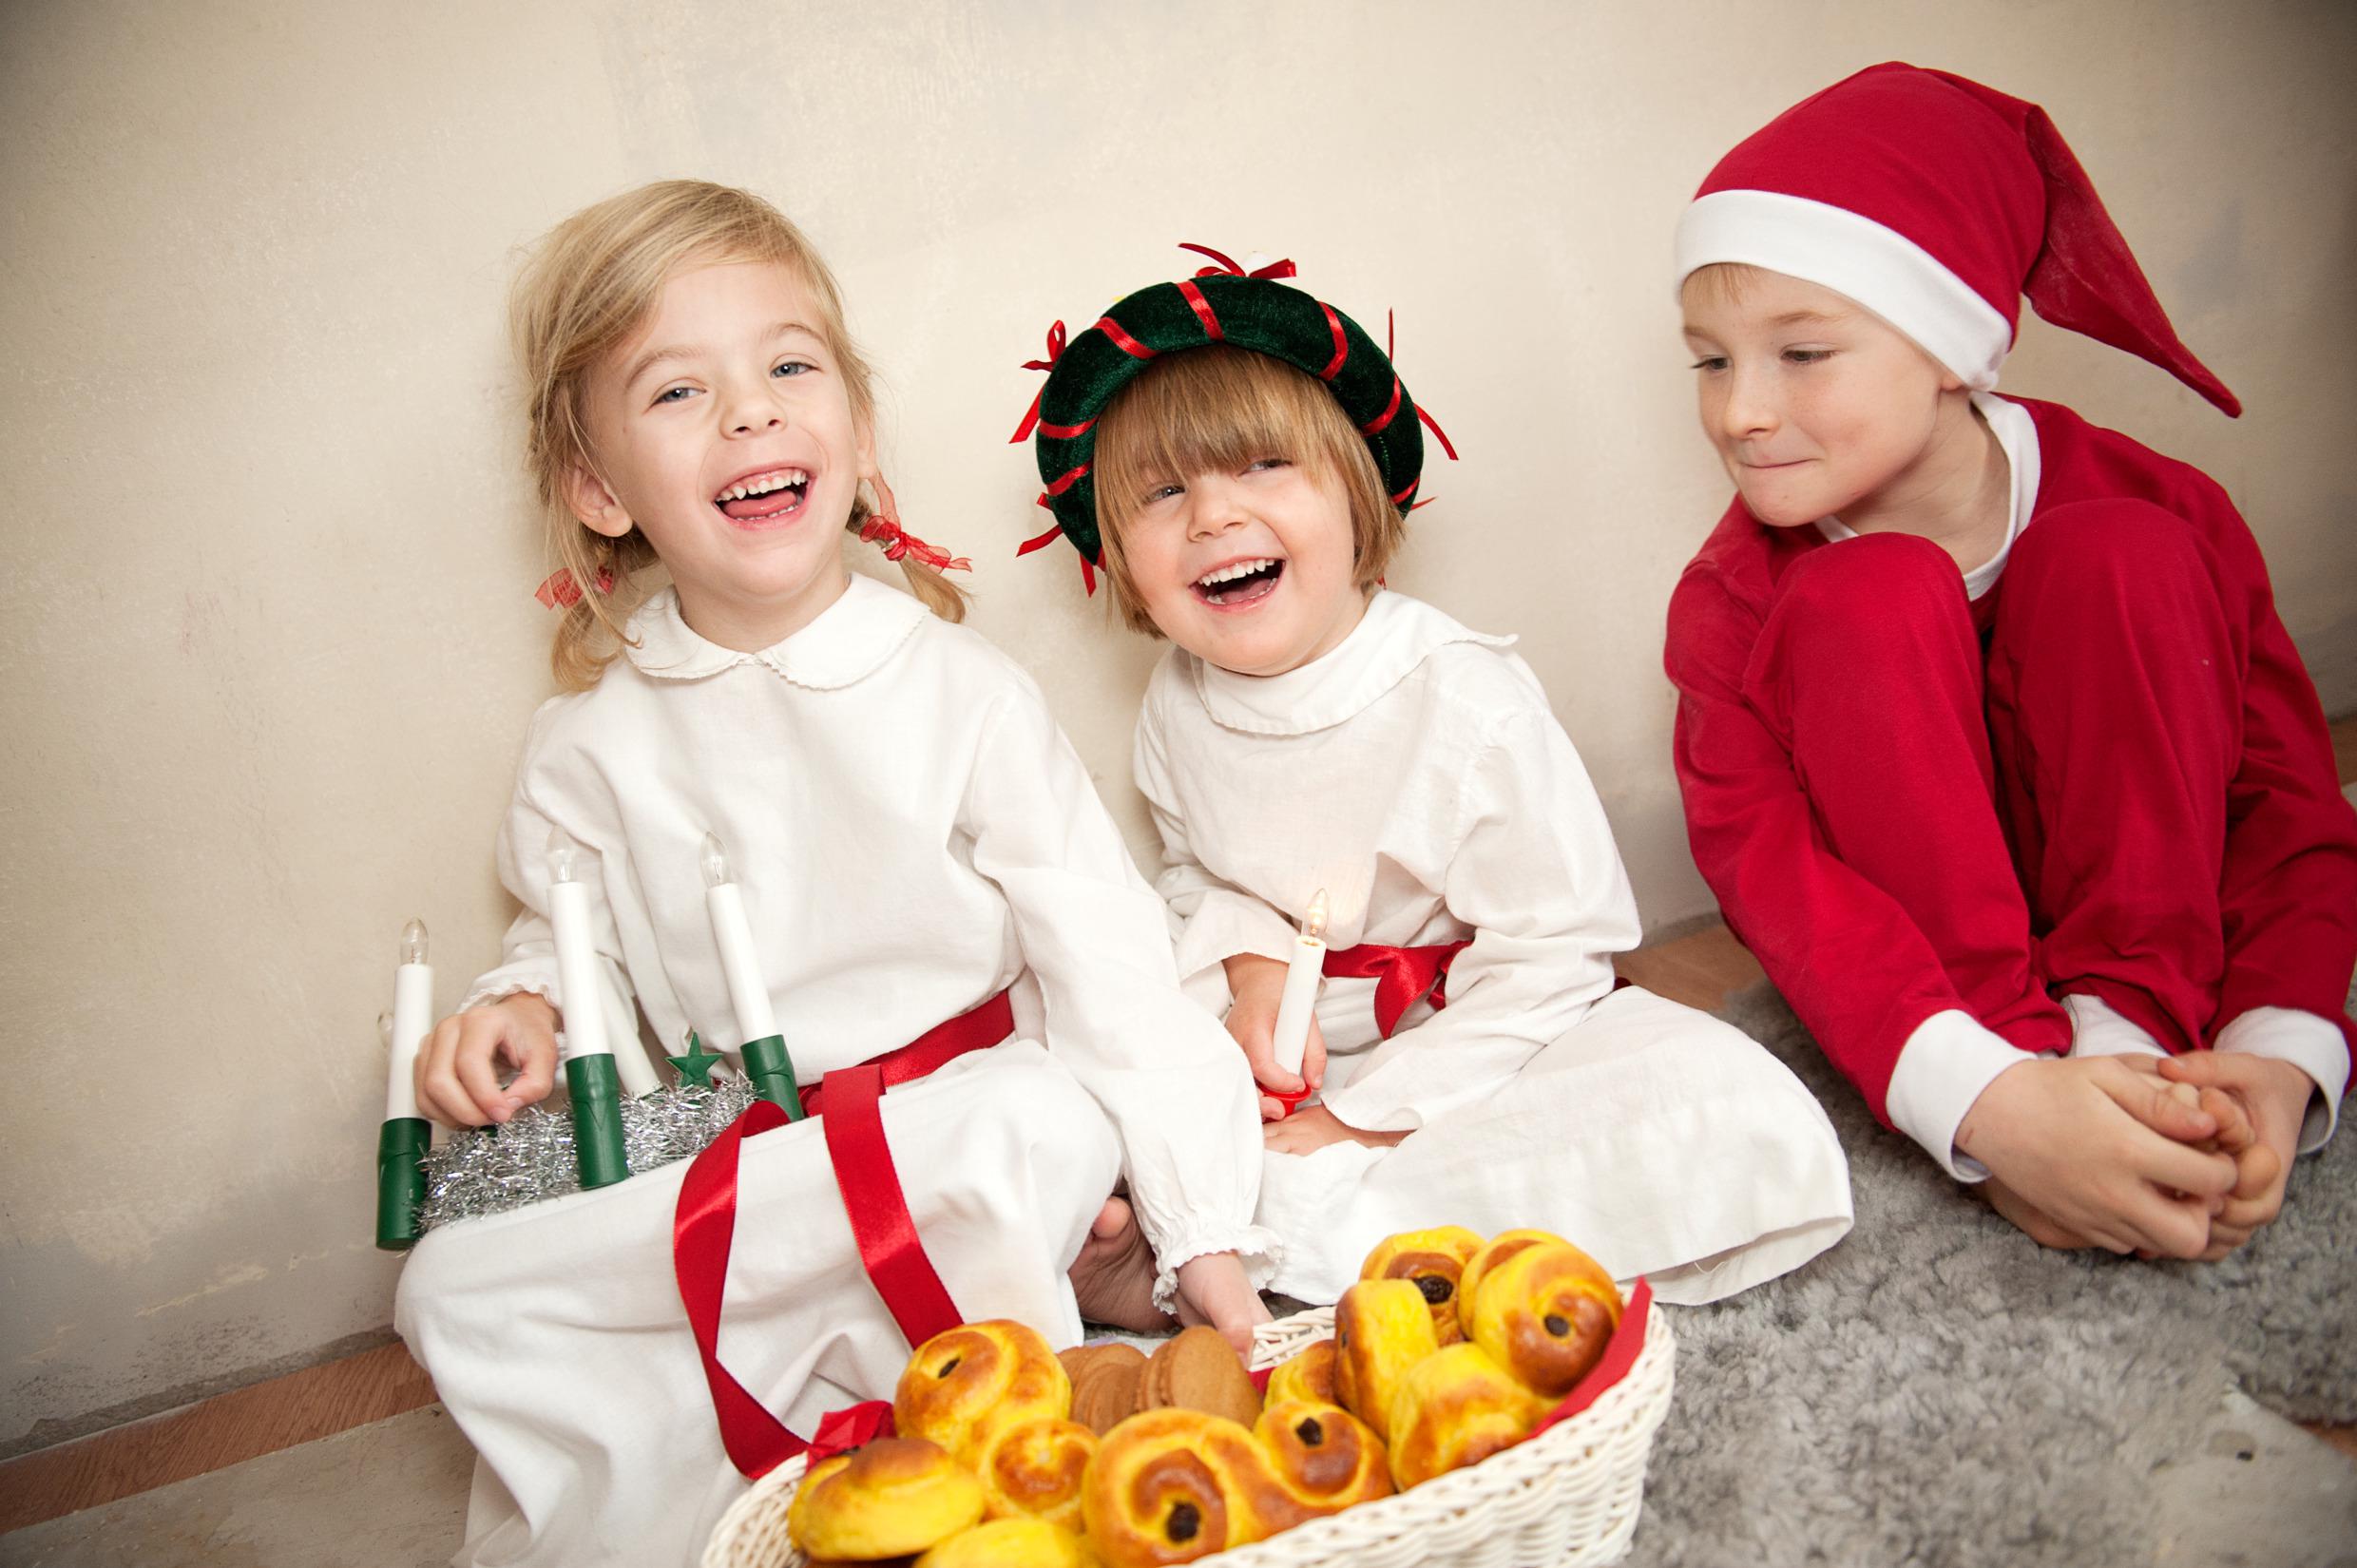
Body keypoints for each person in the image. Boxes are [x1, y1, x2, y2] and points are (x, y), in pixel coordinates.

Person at [394, 182, 1274, 1568]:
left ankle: (1060, 1271)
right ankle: (867, 1358)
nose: (751, 413)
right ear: (598, 487)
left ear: (857, 434)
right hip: (752, 1164)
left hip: (959, 1128)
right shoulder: (587, 745)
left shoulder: (959, 693)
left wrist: (1204, 1234)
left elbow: (1104, 959)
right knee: (450, 1284)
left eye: (789, 367)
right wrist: (525, 1011)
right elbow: (570, 942)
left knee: (1035, 1124)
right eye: (679, 391)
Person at [1013, 254, 1852, 1305]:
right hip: (1302, 1046)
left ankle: (1319, 1232)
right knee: (1076, 1047)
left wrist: (1370, 1116)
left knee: (1712, 1096)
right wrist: (1255, 977)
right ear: (1118, 556)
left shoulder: (1464, 698)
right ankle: (1244, 1233)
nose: (1213, 518)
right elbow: (1192, 875)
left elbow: (1554, 955)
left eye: (1263, 467)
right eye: (1163, 492)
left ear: (1356, 496)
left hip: (1484, 1037)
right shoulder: (1175, 708)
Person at [1663, 64, 2356, 1262]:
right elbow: (1776, 879)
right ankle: (2040, 1074)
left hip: (2151, 934)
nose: (1737, 414)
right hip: (1948, 983)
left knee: (2117, 557)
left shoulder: (2162, 506)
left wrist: (2274, 1057)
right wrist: (1987, 1099)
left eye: (1801, 353)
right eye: (1709, 361)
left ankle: (2124, 1038)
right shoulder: (1735, 599)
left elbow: (2282, 797)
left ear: (1948, 348)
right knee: (1863, 595)